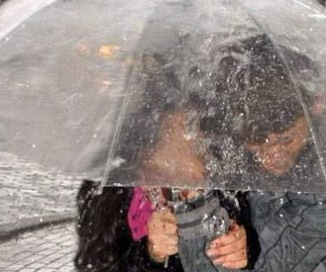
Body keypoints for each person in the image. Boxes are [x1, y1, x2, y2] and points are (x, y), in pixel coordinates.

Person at [197, 35, 326, 271]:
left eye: (286, 140)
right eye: (257, 143)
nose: (273, 156)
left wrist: (244, 248)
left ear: (317, 105)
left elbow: (276, 262)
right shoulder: (232, 145)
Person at [74, 53, 250, 272]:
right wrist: (151, 254)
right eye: (174, 136)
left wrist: (242, 252)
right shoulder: (108, 193)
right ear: (144, 148)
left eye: (194, 135)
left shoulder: (222, 190)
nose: (185, 154)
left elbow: (237, 253)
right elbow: (94, 266)